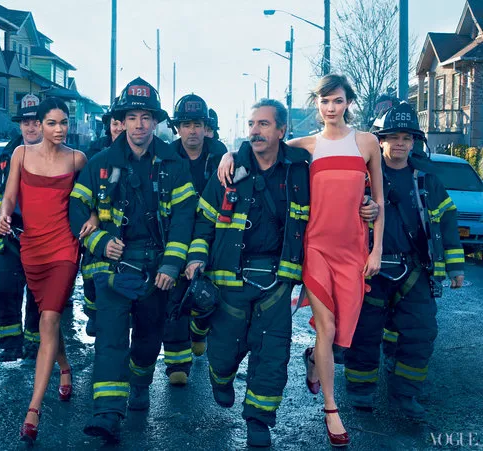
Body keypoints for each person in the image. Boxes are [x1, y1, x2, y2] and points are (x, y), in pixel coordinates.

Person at [217, 78, 383, 447]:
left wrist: (376, 248)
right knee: (325, 327)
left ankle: (313, 359)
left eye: (337, 101)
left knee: (343, 335)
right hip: (315, 248)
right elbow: (261, 149)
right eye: (324, 101)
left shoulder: (368, 143)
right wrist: (230, 154)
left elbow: (378, 201)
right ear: (318, 103)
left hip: (354, 248)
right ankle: (330, 408)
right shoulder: (305, 145)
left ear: (348, 103)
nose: (330, 108)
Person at [70, 77, 196, 443]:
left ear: (155, 121)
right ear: (121, 121)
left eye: (146, 117)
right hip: (113, 266)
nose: (139, 124)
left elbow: (185, 217)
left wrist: (172, 266)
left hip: (156, 269)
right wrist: (98, 239)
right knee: (110, 338)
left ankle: (140, 382)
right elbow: (77, 207)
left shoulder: (174, 163)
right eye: (132, 116)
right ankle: (107, 414)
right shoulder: (100, 163)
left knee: (147, 337)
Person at [186, 99, 310, 447]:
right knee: (223, 351)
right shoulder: (229, 170)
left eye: (264, 124)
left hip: (276, 280)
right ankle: (221, 378)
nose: (255, 130)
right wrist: (196, 259)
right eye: (252, 124)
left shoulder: (299, 172)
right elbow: (204, 220)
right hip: (230, 279)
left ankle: (258, 420)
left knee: (272, 355)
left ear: (282, 131)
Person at [344, 102, 465, 418]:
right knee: (365, 334)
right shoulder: (362, 177)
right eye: (393, 136)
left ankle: (406, 396)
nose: (400, 143)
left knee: (420, 333)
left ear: (414, 143)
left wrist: (454, 267)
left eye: (407, 138)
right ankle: (360, 392)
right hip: (371, 271)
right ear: (380, 140)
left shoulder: (427, 181)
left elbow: (447, 221)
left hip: (415, 271)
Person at [0, 97, 93, 444]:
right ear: (40, 124)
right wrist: (3, 215)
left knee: (49, 320)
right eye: (51, 123)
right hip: (31, 249)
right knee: (49, 319)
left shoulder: (78, 159)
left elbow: (92, 196)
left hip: (65, 248)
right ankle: (64, 366)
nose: (57, 129)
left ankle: (33, 409)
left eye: (63, 123)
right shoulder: (22, 154)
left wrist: (94, 216)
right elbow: (9, 196)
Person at [163, 93, 226, 386]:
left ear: (206, 126)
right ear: (177, 128)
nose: (192, 130)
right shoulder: (166, 156)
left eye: (197, 124)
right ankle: (177, 362)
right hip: (175, 233)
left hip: (212, 235)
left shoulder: (220, 153)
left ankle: (200, 327)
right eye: (186, 124)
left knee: (207, 293)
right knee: (174, 295)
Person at [0, 93, 42, 362]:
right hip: (10, 234)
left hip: (44, 235)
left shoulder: (59, 155)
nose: (30, 128)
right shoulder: (5, 157)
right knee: (4, 287)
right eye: (25, 122)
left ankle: (34, 342)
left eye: (36, 122)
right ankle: (10, 343)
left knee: (38, 292)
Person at [82, 97, 124, 337]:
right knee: (90, 273)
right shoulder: (95, 152)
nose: (119, 128)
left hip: (121, 226)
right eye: (114, 123)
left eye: (122, 123)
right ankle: (93, 312)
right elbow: (82, 190)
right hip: (94, 224)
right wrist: (92, 215)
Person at [86, 97, 124, 161]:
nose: (119, 128)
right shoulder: (97, 147)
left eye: (123, 124)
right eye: (115, 124)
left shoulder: (139, 149)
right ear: (109, 126)